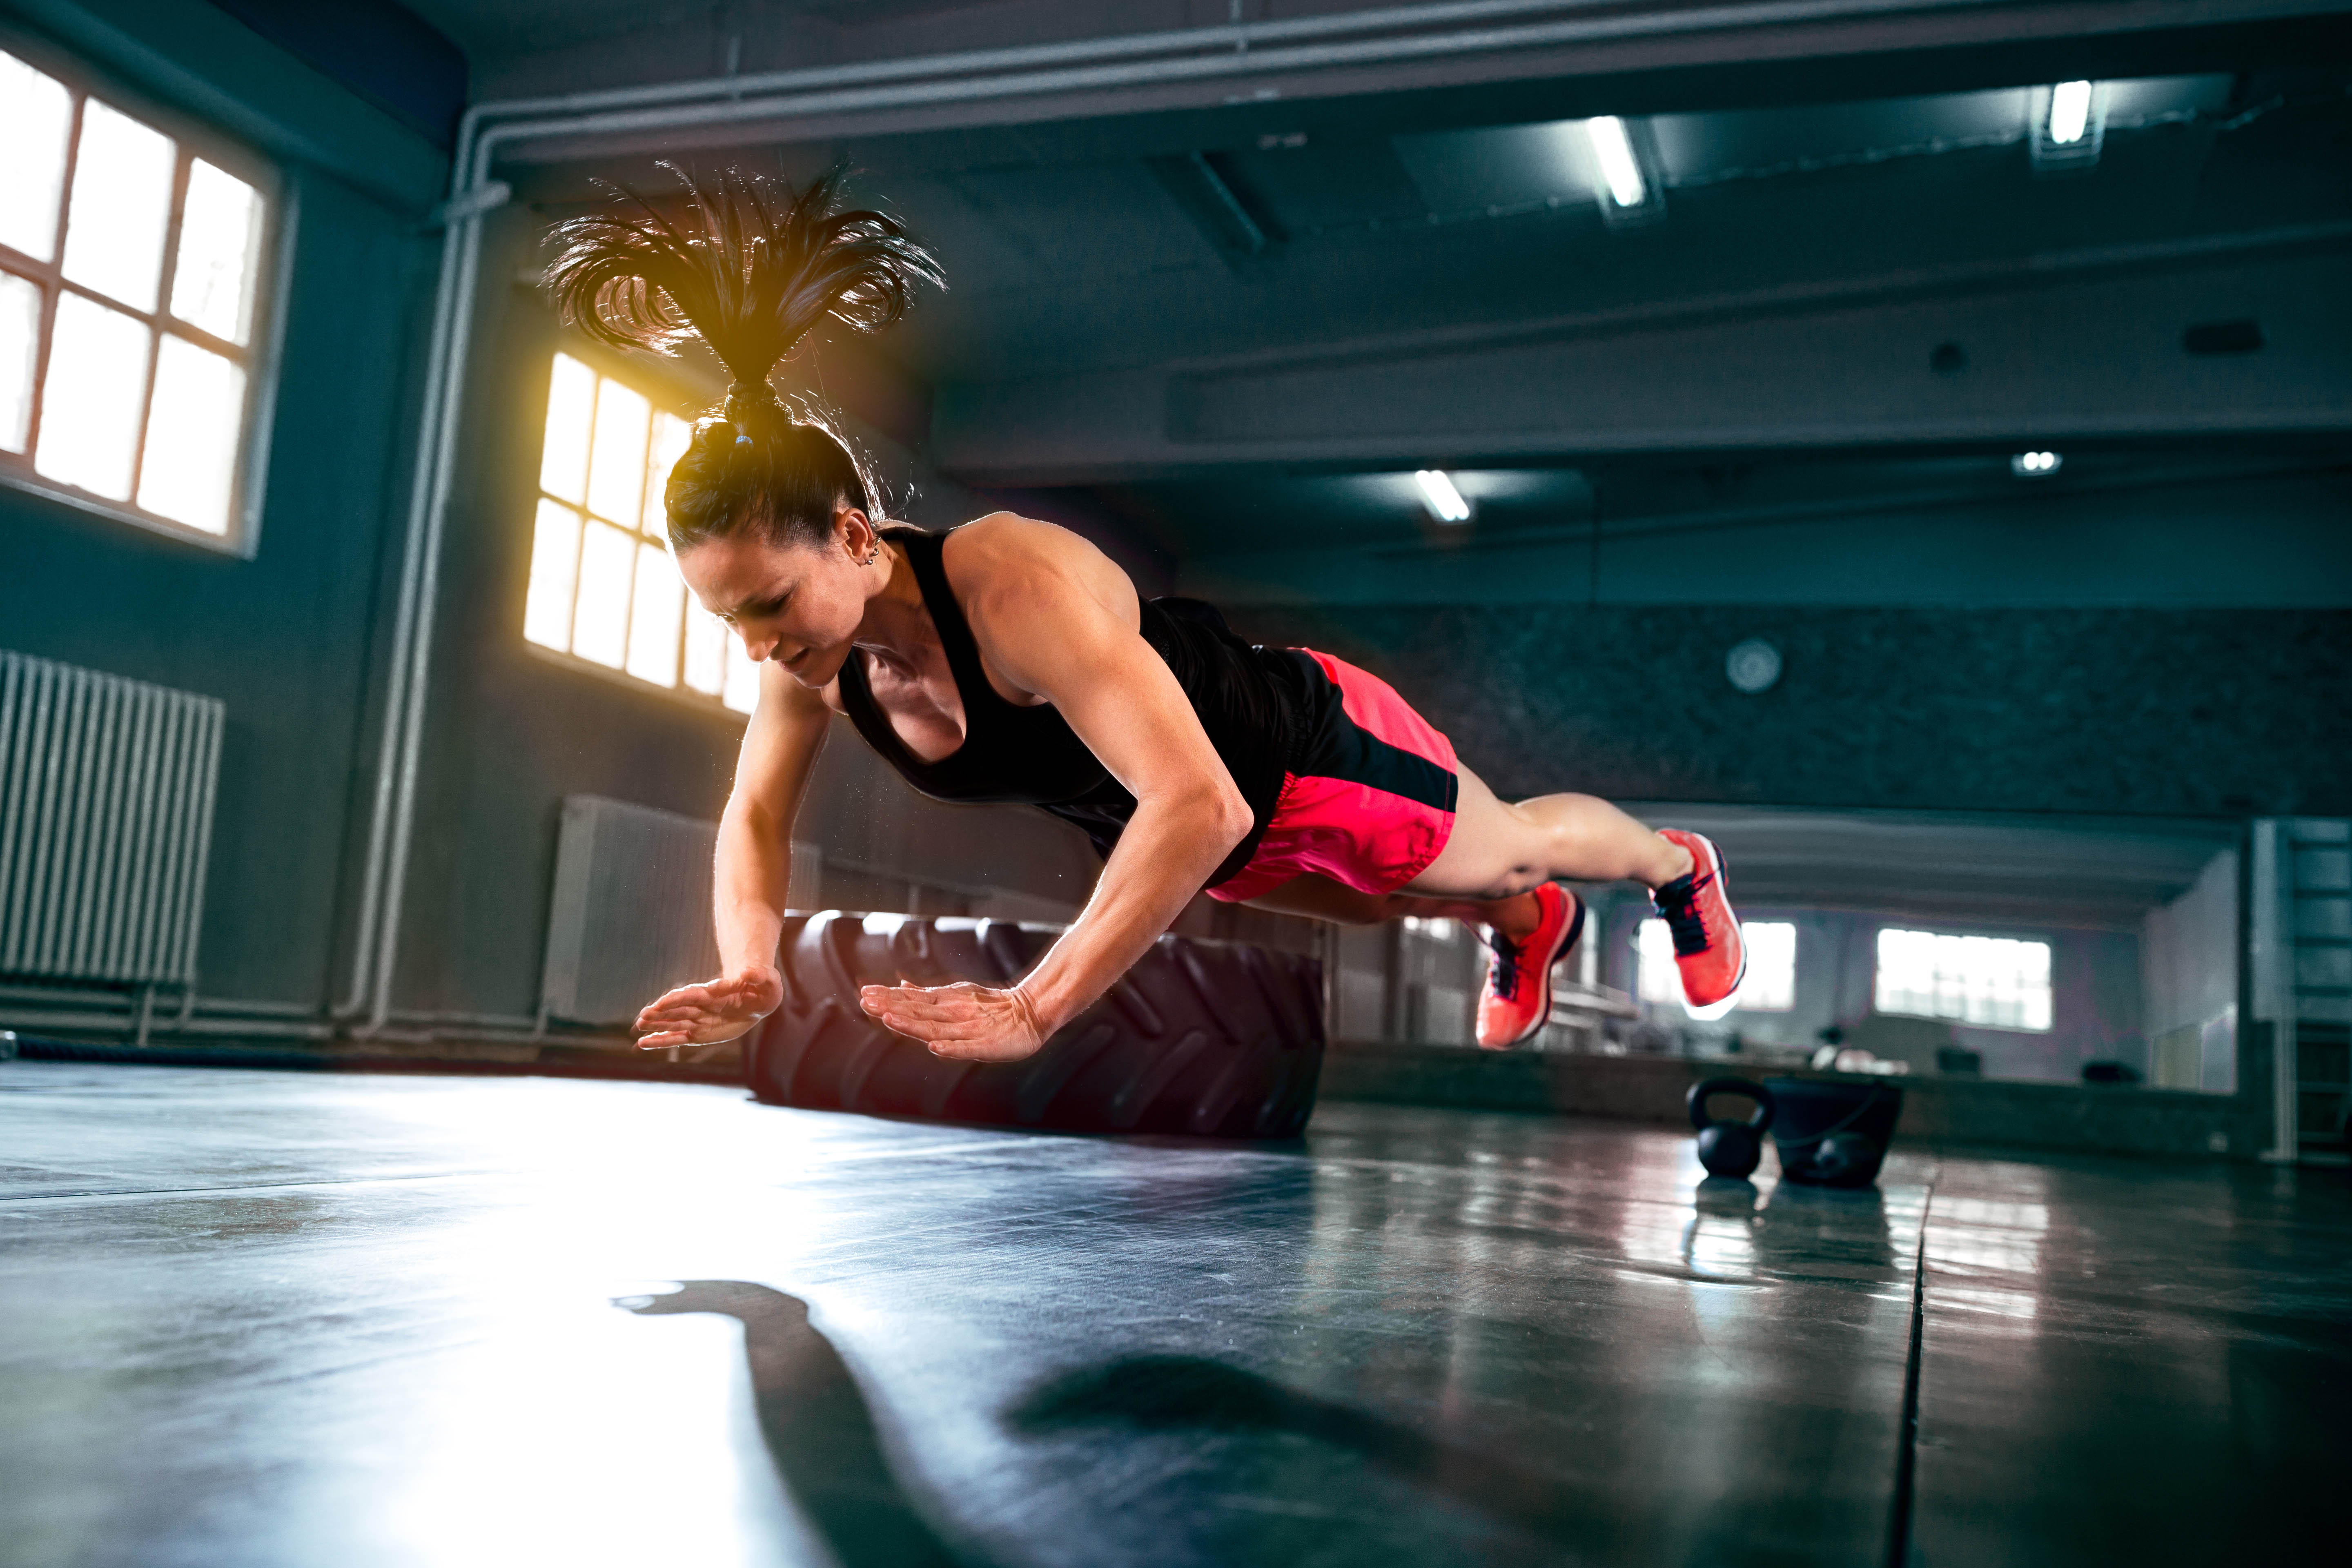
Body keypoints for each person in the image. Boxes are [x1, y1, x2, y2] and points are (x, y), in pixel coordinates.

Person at [547, 167, 1746, 1064]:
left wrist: (1036, 1008)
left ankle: (1670, 867)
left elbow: (1200, 797)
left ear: (855, 535)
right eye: (728, 620)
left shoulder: (1014, 586)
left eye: (768, 603)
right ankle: (1527, 921)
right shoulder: (810, 657)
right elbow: (753, 817)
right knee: (1389, 909)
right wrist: (752, 967)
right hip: (1207, 843)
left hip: (1297, 755)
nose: (759, 643)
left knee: (1506, 843)